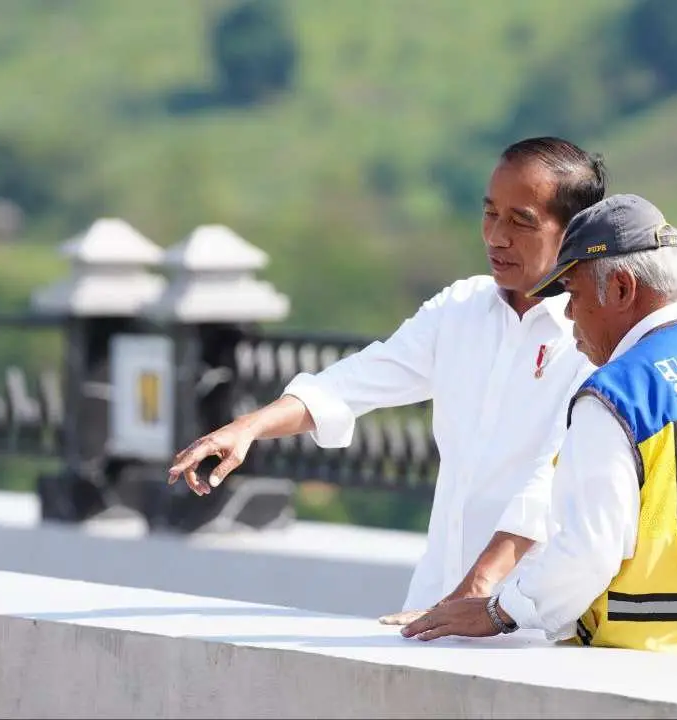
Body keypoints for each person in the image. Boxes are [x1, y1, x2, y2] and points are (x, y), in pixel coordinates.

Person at [167, 137, 605, 616]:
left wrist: (475, 593)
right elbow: (357, 379)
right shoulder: (460, 309)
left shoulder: (593, 337)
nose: (496, 237)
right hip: (434, 600)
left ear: (574, 233)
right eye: (489, 214)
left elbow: (546, 485)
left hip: (528, 614)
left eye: (521, 221)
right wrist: (249, 427)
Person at [399, 194, 677, 672]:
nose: (567, 316)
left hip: (673, 673)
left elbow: (587, 553)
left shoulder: (617, 397)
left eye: (574, 294)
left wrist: (497, 611)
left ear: (623, 289)